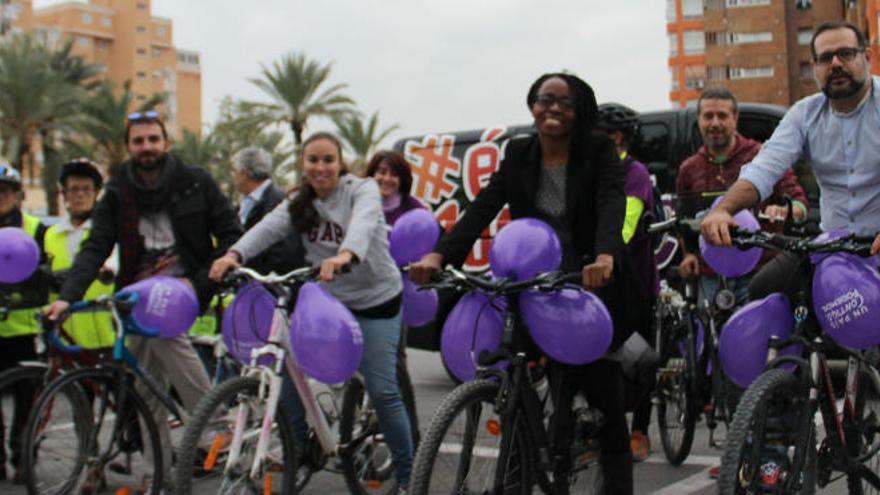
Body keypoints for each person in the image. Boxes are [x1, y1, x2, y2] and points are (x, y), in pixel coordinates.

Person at [409, 72, 634, 493]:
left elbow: (611, 202)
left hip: (587, 280)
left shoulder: (599, 150)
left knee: (604, 395)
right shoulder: (518, 153)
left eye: (564, 102)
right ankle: (519, 470)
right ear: (532, 105)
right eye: (544, 98)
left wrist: (605, 255)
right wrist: (440, 255)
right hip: (530, 278)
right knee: (515, 378)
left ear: (579, 110)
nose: (552, 107)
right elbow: (483, 207)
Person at [44, 111, 243, 489]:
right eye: (138, 141)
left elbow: (231, 234)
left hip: (186, 291)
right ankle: (157, 475)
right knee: (143, 391)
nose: (146, 147)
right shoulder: (118, 193)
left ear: (165, 143)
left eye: (153, 139)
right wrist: (67, 299)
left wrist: (201, 279)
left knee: (166, 334)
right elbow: (95, 247)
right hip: (135, 298)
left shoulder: (195, 183)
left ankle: (215, 423)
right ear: (129, 148)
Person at [209, 132, 415, 490]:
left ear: (341, 164)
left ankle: (411, 474)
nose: (321, 167)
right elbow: (268, 228)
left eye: (328, 160)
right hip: (330, 298)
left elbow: (365, 223)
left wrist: (346, 254)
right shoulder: (298, 200)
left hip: (376, 300)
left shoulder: (360, 190)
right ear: (303, 165)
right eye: (313, 160)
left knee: (383, 391)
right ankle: (299, 447)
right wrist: (233, 256)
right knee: (285, 364)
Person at [701, 20, 880, 296]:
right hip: (833, 246)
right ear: (814, 67)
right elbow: (763, 169)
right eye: (824, 58)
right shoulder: (804, 114)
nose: (835, 63)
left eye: (845, 53)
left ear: (866, 57)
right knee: (765, 288)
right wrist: (723, 210)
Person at [677, 87, 808, 307]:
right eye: (708, 116)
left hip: (760, 272)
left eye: (722, 115)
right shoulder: (689, 169)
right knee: (710, 340)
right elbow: (684, 221)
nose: (715, 123)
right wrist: (688, 255)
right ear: (698, 119)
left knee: (761, 338)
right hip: (710, 275)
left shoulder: (762, 157)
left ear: (735, 118)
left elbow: (800, 205)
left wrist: (786, 210)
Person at [596, 102, 660, 463]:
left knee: (640, 356)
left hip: (632, 280)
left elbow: (625, 226)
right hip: (596, 278)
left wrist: (596, 250)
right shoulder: (591, 171)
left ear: (615, 137)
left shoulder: (633, 173)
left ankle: (640, 429)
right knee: (602, 355)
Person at [364, 149, 427, 443]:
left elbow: (429, 242)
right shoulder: (360, 203)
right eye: (381, 171)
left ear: (402, 180)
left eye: (393, 173)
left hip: (397, 297)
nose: (386, 179)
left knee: (394, 365)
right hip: (359, 292)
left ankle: (411, 434)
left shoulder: (415, 210)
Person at [0, 163, 49, 483]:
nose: (1, 196)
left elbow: (44, 279)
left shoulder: (36, 228)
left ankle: (23, 455)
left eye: (6, 191)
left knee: (26, 399)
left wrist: (16, 297)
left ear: (19, 195)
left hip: (26, 330)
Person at [44, 158, 116, 351]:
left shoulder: (108, 234)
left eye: (87, 189)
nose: (80, 195)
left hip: (107, 337)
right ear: (64, 194)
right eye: (74, 189)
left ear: (97, 193)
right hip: (64, 339)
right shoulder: (51, 235)